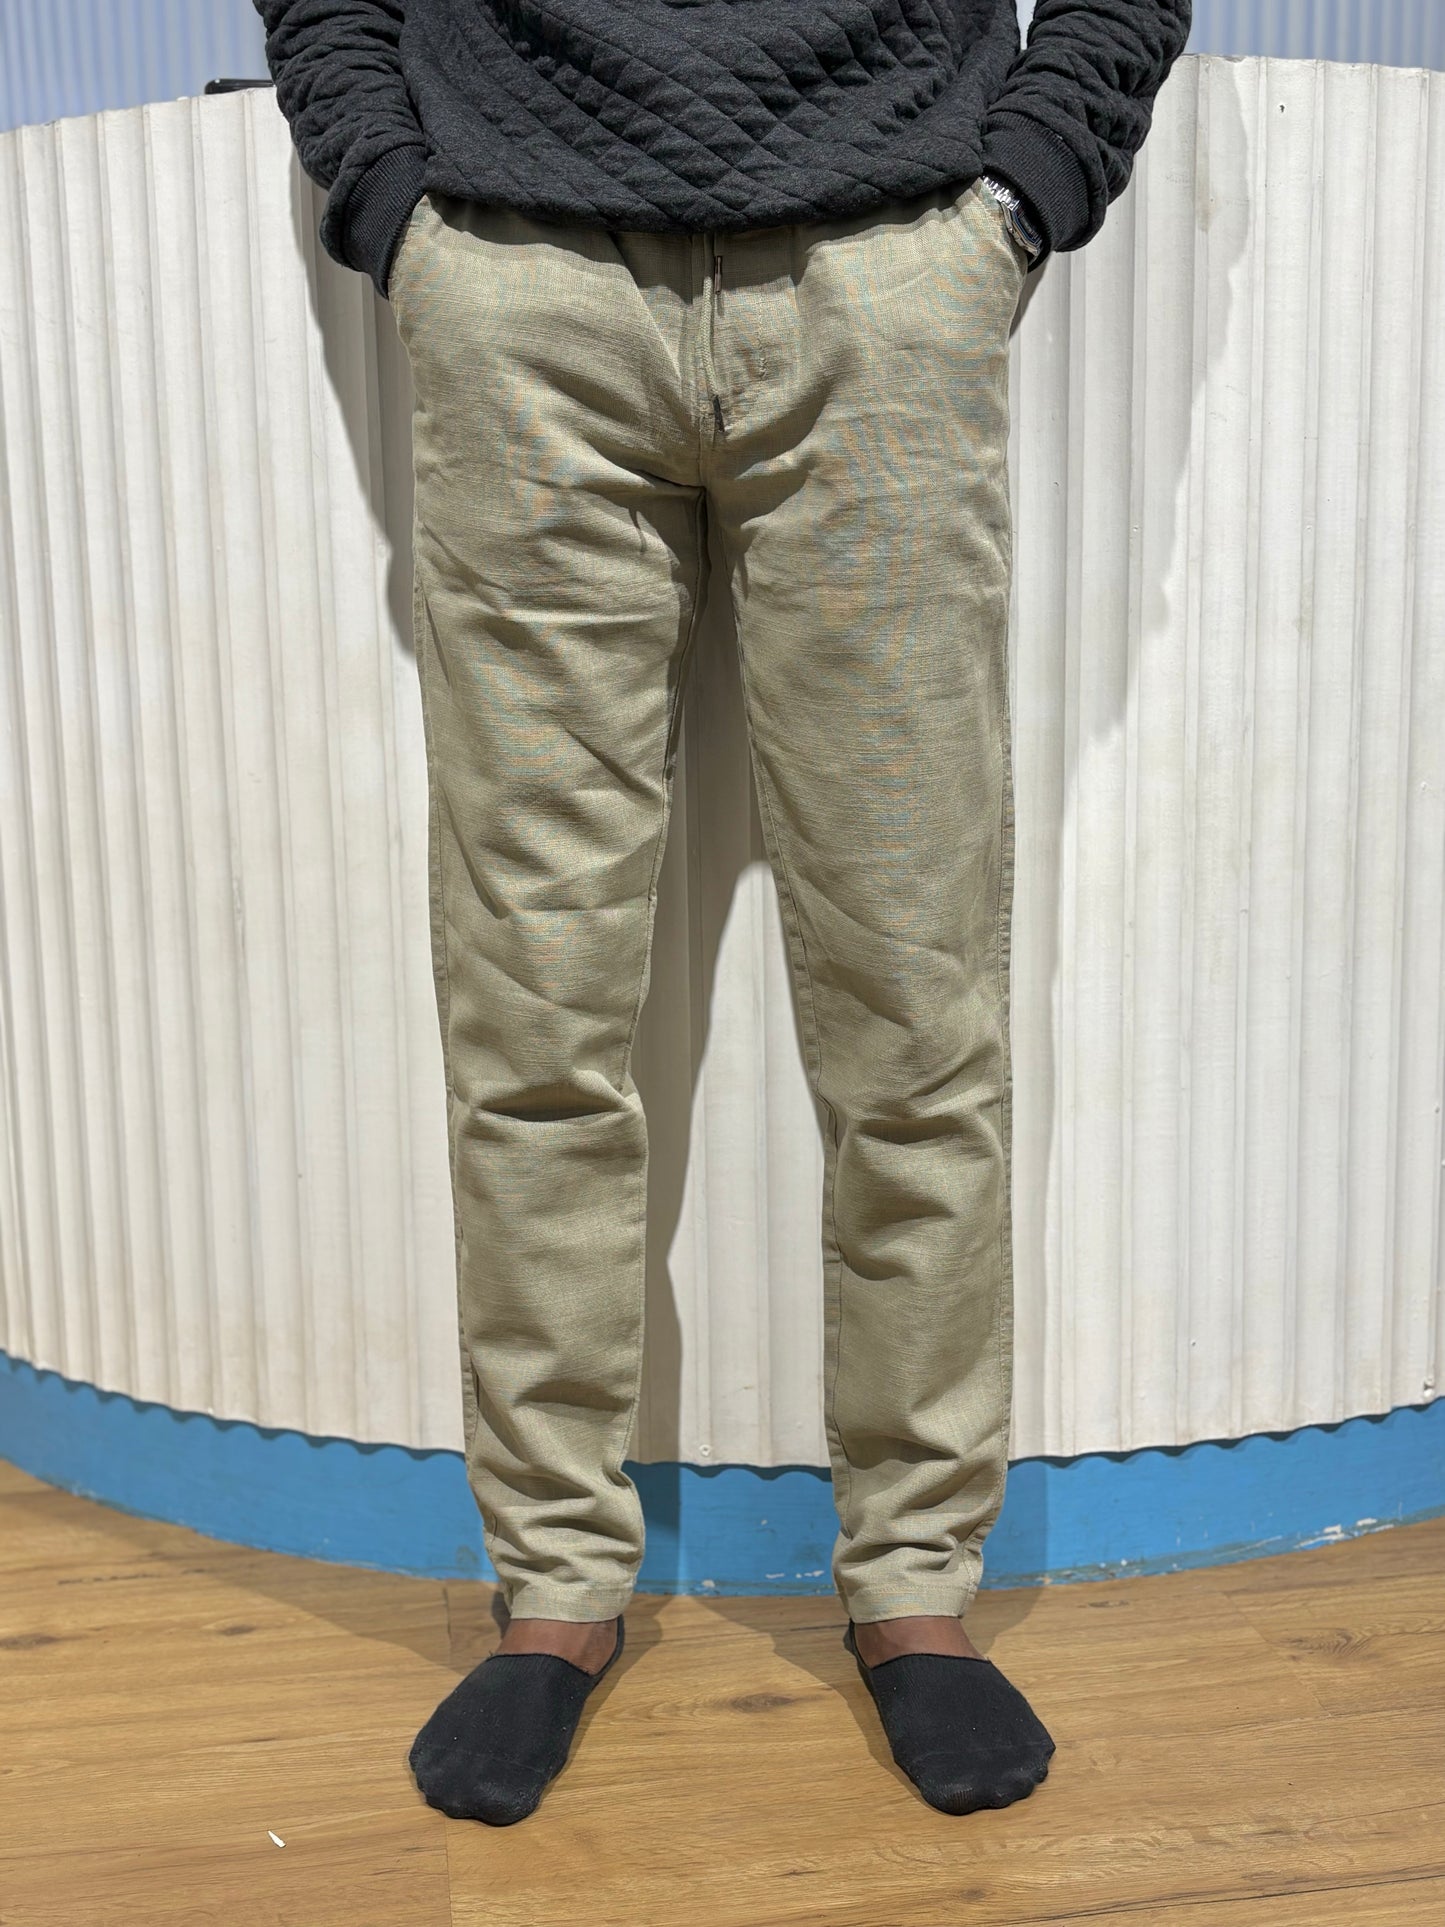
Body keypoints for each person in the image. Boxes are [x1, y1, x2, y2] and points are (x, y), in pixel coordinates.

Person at [256, 0, 1191, 1827]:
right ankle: (553, 1583)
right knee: (534, 1006)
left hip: (887, 280)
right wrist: (394, 205)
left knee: (913, 1000)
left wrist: (1022, 193)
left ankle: (913, 1579)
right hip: (517, 285)